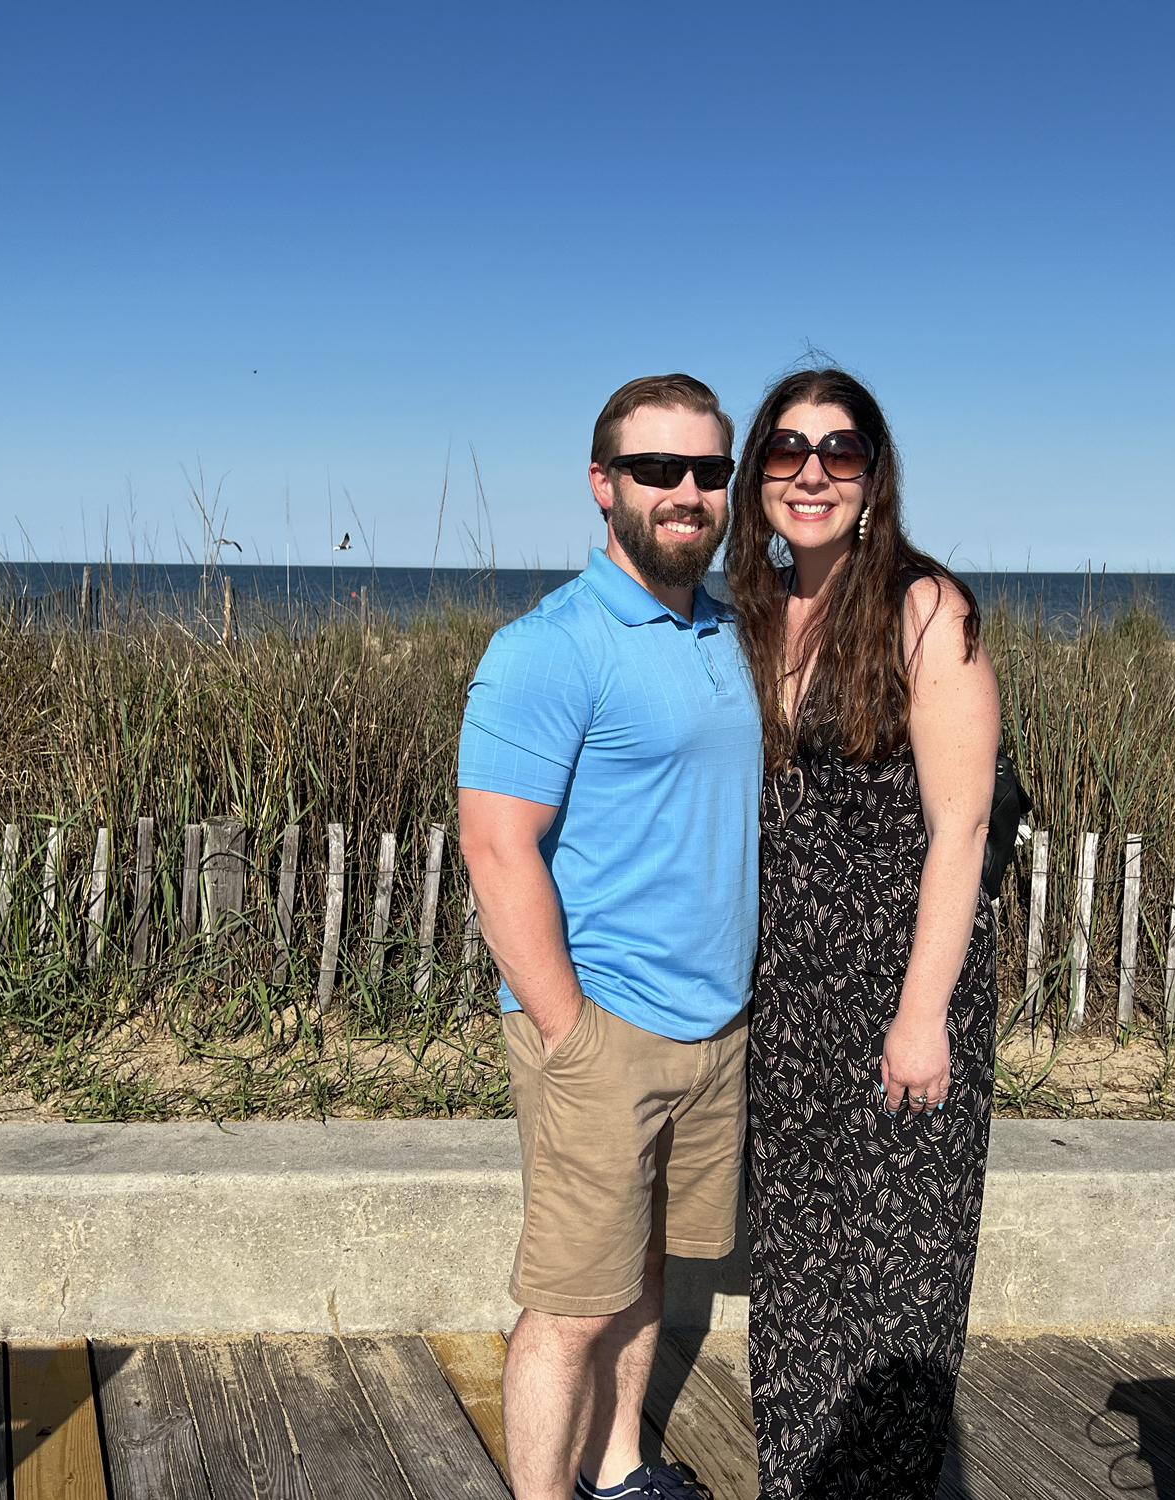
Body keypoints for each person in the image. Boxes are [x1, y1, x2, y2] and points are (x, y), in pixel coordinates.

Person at [458, 373, 761, 1500]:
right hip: (600, 1022)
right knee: (568, 1303)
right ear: (603, 485)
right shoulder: (551, 645)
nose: (685, 492)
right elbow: (497, 848)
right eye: (656, 470)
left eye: (707, 472)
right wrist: (568, 1032)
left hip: (712, 1024)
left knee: (646, 1273)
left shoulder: (730, 630)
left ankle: (621, 1465)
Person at [727, 367, 1003, 1498]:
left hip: (900, 984)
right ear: (757, 477)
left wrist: (921, 1014)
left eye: (838, 452)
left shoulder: (923, 608)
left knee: (897, 1280)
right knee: (795, 1277)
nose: (810, 473)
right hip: (787, 991)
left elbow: (963, 825)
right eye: (785, 450)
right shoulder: (747, 611)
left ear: (872, 478)